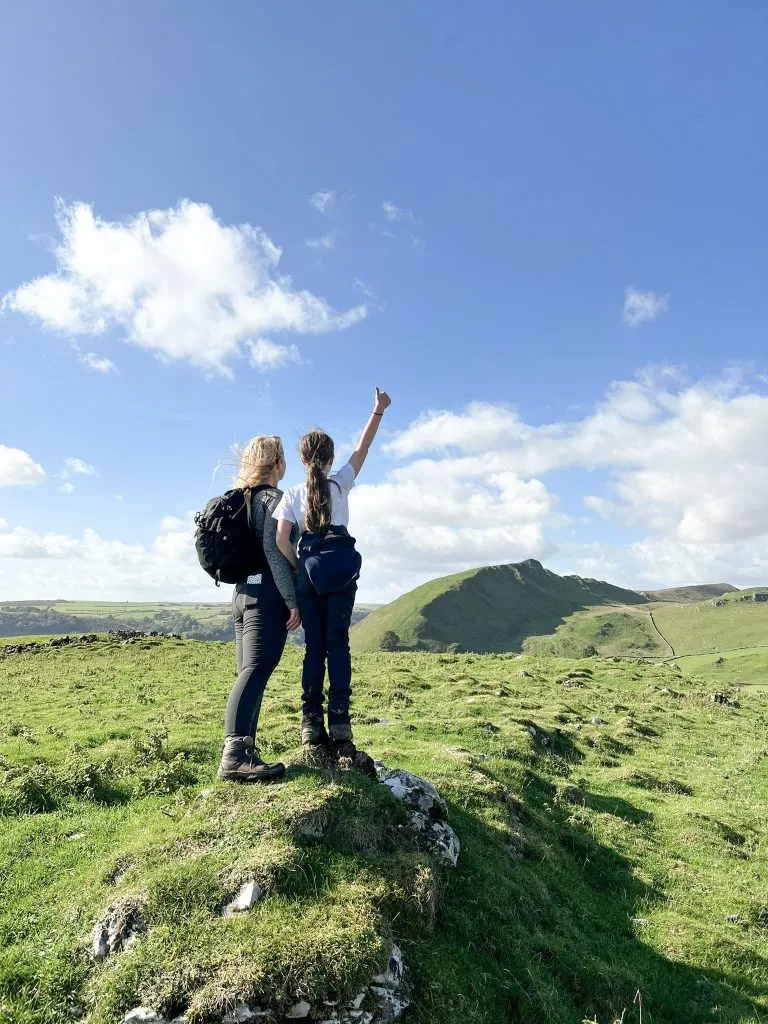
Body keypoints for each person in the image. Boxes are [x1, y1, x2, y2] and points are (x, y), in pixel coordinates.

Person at [275, 387, 392, 757]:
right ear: (330, 458)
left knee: (314, 648)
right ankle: (340, 723)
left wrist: (298, 568)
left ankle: (311, 723)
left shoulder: (292, 494)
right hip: (340, 571)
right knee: (338, 646)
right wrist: (378, 409)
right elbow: (365, 448)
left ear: (301, 458)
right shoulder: (340, 483)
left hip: (308, 570)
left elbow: (281, 539)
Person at [217, 435, 301, 783]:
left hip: (240, 595)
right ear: (278, 463)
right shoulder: (275, 500)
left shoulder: (242, 500)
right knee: (256, 669)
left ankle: (245, 754)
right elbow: (275, 552)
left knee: (247, 671)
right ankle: (235, 756)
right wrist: (292, 600)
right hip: (265, 595)